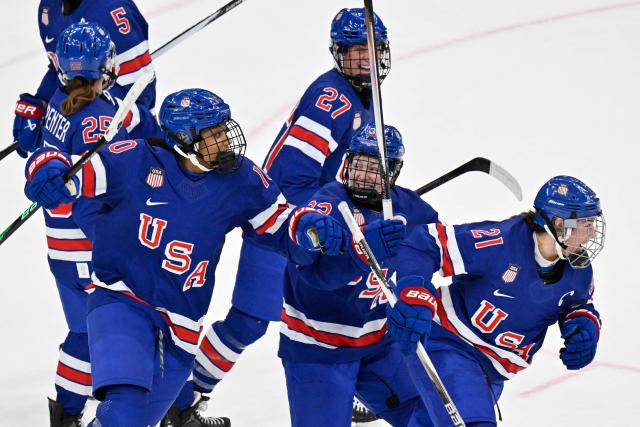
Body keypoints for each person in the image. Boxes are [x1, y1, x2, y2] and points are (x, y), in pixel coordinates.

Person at [23, 88, 343, 427]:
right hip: (122, 299)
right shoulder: (133, 159)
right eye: (214, 135)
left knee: (138, 421)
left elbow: (281, 226)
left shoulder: (242, 179)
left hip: (183, 321)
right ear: (184, 140)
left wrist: (307, 226)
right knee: (124, 411)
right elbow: (72, 173)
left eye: (224, 130)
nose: (226, 140)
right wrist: (45, 168)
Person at [172, 8, 391, 424]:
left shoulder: (363, 98)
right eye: (355, 52)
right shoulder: (333, 102)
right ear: (337, 54)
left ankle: (347, 389)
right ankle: (184, 397)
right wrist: (328, 221)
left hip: (313, 227)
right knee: (250, 321)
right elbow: (290, 177)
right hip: (284, 225)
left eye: (371, 50)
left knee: (345, 310)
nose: (365, 60)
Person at [389, 176, 605, 426]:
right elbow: (425, 244)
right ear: (559, 224)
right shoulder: (500, 241)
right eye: (585, 224)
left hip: (493, 372)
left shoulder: (579, 268)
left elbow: (575, 305)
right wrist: (415, 293)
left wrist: (584, 329)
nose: (591, 234)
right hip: (451, 347)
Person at [32, 20, 159, 427]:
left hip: (61, 246)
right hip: (91, 247)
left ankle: (65, 414)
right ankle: (82, 414)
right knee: (106, 335)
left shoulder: (58, 100)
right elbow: (99, 189)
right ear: (107, 65)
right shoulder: (97, 120)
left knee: (82, 333)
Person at [280, 123, 441, 426]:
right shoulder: (330, 203)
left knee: (431, 415)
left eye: (374, 168)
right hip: (317, 347)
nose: (364, 176)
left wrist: (417, 290)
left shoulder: (410, 208)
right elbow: (316, 279)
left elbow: (435, 249)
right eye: (358, 165)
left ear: (393, 172)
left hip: (378, 342)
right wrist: (362, 250)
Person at [13, 0, 155, 159]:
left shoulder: (113, 9)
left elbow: (140, 92)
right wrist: (42, 101)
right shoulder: (48, 8)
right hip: (84, 124)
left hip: (114, 132)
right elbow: (60, 68)